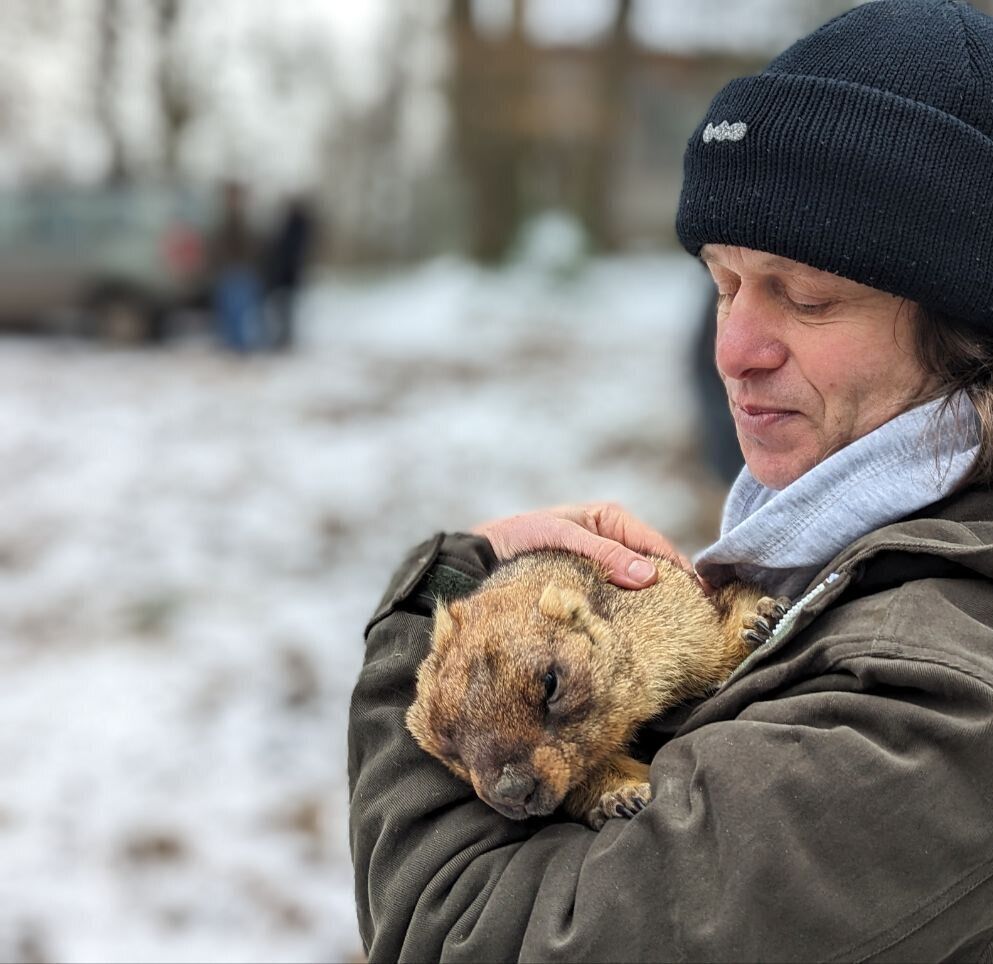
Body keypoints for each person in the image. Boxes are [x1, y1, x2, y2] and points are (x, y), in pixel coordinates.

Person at [348, 1, 993, 960]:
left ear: (967, 326)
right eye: (722, 283)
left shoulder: (940, 696)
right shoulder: (822, 558)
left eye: (805, 295)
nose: (731, 349)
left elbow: (474, 937)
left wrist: (441, 624)